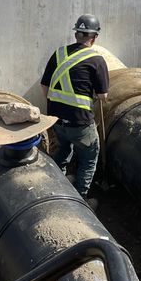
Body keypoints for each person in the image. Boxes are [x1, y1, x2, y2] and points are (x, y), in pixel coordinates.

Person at [40, 14, 109, 199]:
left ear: (77, 34)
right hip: (80, 123)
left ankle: (57, 189)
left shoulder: (59, 53)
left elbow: (44, 87)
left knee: (62, 151)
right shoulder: (97, 60)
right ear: (94, 38)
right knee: (88, 159)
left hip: (56, 119)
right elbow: (103, 96)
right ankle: (80, 200)